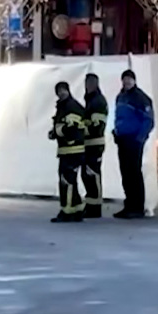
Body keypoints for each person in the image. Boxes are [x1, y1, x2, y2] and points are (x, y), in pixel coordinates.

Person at [113, 69, 154, 219]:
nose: (127, 82)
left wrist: (140, 137)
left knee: (134, 172)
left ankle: (137, 206)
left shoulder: (140, 98)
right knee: (126, 173)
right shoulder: (121, 97)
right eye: (125, 79)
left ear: (134, 81)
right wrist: (116, 132)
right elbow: (118, 117)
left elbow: (148, 119)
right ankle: (129, 204)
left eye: (130, 79)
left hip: (134, 140)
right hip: (123, 139)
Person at [48, 81, 86, 223]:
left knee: (66, 180)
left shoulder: (71, 106)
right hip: (68, 150)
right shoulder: (64, 106)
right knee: (70, 180)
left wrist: (56, 133)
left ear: (68, 90)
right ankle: (77, 209)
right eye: (58, 91)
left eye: (63, 90)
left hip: (72, 150)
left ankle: (66, 211)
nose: (61, 93)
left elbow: (72, 128)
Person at [82, 73, 108, 219]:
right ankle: (91, 204)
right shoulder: (91, 100)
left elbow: (97, 125)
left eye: (90, 83)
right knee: (88, 175)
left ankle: (95, 207)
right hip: (89, 143)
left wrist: (82, 128)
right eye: (87, 83)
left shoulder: (98, 101)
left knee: (93, 174)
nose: (88, 86)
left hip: (95, 143)